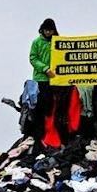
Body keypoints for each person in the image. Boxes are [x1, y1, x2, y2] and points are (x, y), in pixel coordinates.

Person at [30, 18, 75, 147]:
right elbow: (33, 58)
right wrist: (45, 69)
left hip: (57, 81)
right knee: (42, 108)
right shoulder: (37, 42)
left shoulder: (59, 42)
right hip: (41, 79)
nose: (48, 32)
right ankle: (41, 135)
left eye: (50, 30)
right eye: (46, 30)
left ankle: (56, 135)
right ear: (42, 29)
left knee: (56, 108)